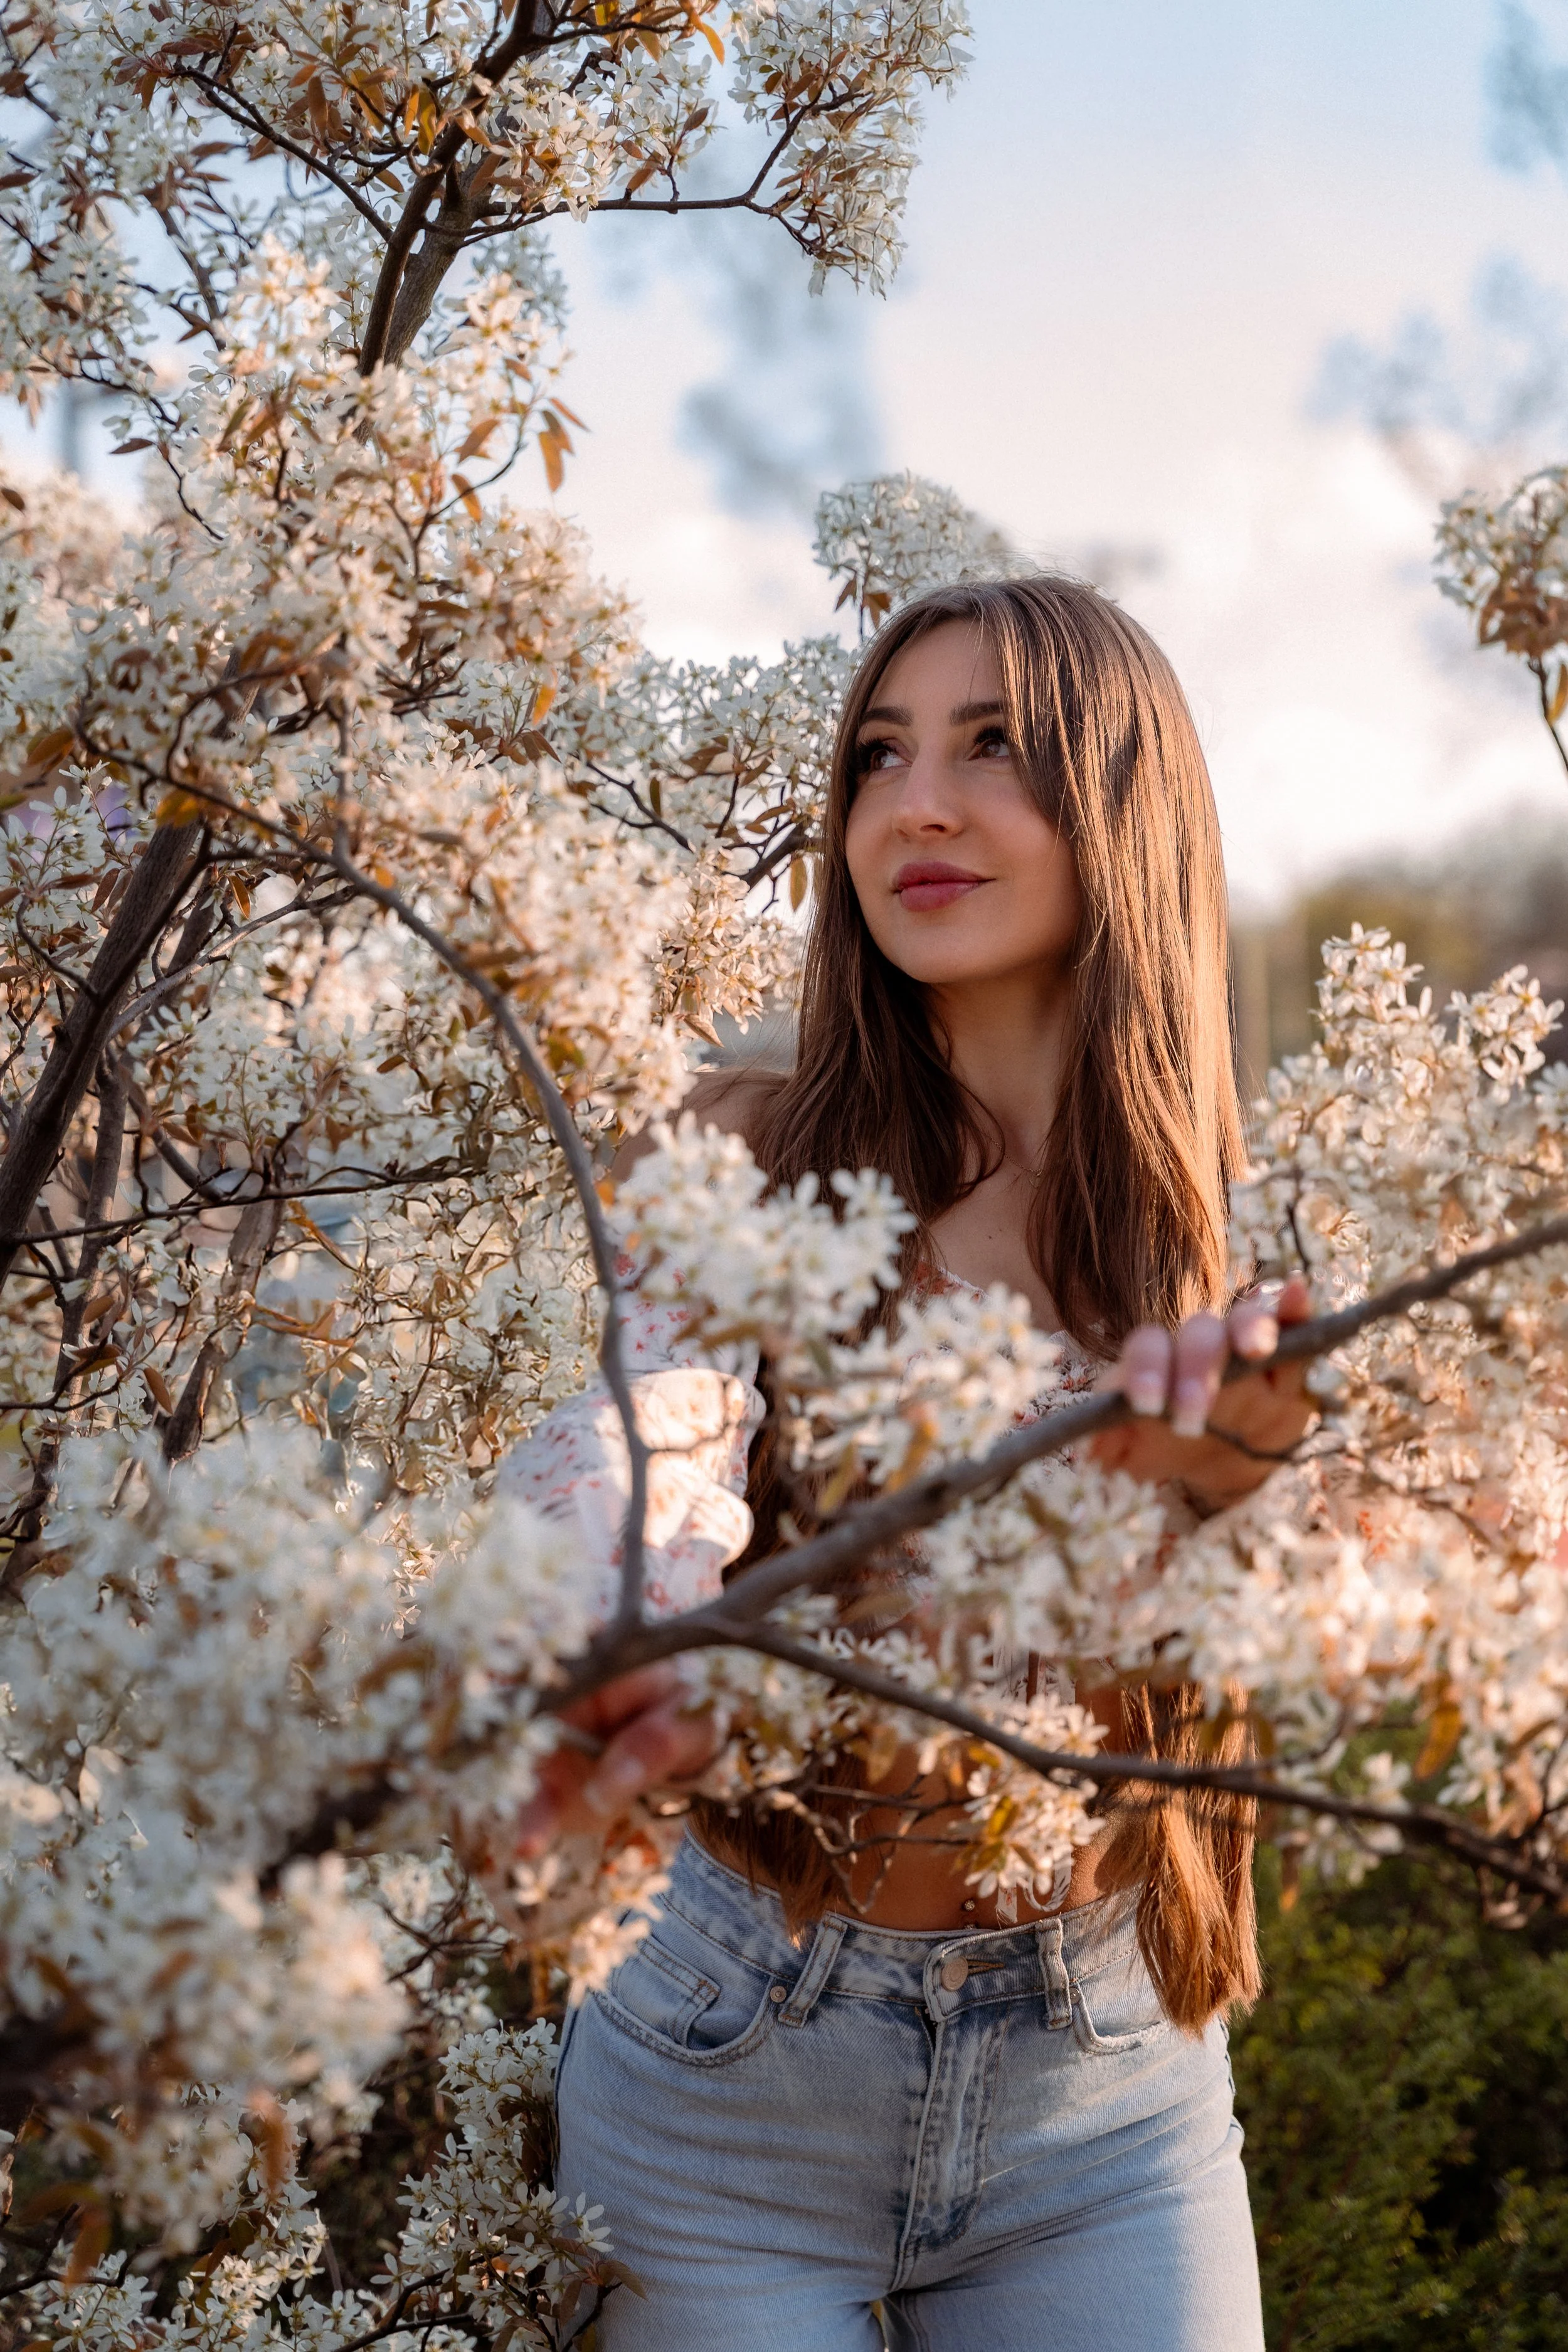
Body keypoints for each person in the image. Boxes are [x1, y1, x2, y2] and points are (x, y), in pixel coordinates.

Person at [504, 577, 1314, 2350]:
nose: (915, 805)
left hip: (1101, 2097)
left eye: (992, 748)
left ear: (1127, 810)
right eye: (878, 754)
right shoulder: (735, 1148)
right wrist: (632, 1638)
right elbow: (646, 1446)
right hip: (729, 2075)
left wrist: (1209, 1493)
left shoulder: (1241, 1248)